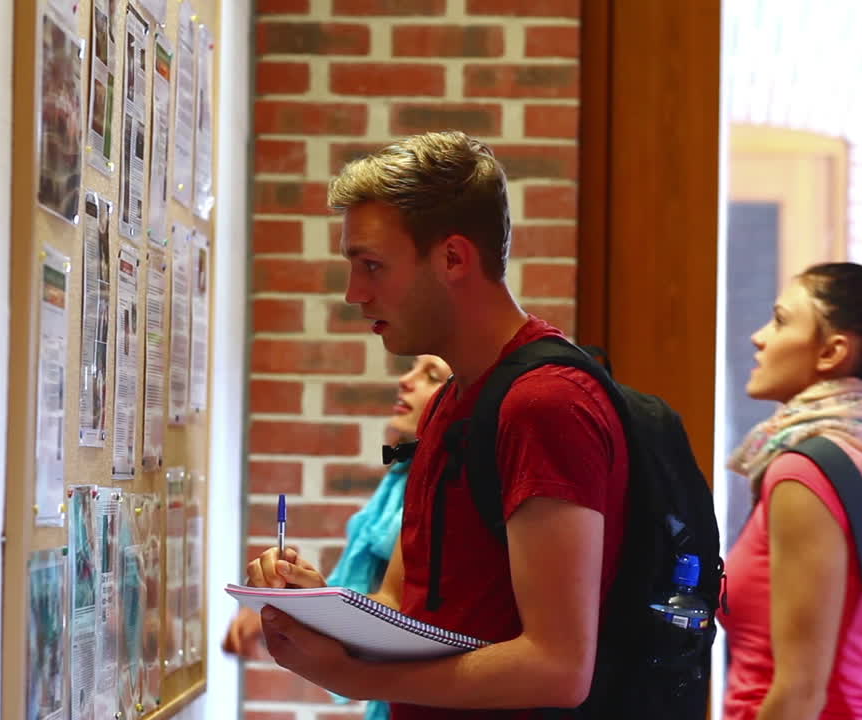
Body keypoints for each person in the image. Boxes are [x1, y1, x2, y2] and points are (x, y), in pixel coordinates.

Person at [243, 130, 630, 719]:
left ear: (453, 258)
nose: (354, 293)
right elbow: (406, 604)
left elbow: (557, 667)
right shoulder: (453, 400)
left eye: (372, 265)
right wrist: (319, 605)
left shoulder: (545, 404)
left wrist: (352, 672)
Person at [719, 262, 862, 719]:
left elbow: (800, 693)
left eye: (781, 320)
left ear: (832, 352)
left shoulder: (805, 474)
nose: (759, 337)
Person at [223, 354, 452, 719]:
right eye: (411, 368)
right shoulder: (404, 475)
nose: (406, 380)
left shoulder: (445, 488)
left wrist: (301, 607)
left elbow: (402, 610)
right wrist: (295, 603)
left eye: (432, 375)